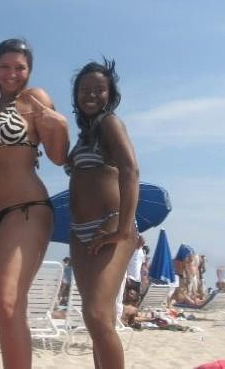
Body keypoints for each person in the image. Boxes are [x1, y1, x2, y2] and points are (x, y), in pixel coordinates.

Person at [0, 38, 69, 369]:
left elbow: (59, 156)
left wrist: (60, 124)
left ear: (29, 70)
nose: (12, 73)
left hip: (27, 209)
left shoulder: (35, 99)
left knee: (8, 304)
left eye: (19, 67)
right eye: (5, 66)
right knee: (5, 307)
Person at [66, 58, 139, 369]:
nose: (91, 95)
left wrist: (123, 229)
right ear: (76, 95)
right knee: (98, 319)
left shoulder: (110, 123)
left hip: (110, 226)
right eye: (85, 89)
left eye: (99, 89)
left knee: (96, 315)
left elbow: (131, 170)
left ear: (111, 94)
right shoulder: (86, 134)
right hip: (81, 232)